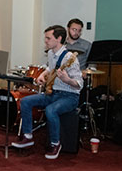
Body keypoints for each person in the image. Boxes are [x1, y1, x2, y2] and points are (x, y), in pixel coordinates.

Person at [12, 25, 83, 159]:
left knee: (51, 110)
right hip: (54, 93)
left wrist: (67, 80)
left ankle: (55, 143)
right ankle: (28, 136)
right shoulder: (51, 53)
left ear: (59, 39)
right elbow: (51, 68)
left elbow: (79, 84)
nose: (45, 41)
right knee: (25, 101)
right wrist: (42, 75)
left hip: (70, 97)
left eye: (48, 38)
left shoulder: (70, 58)